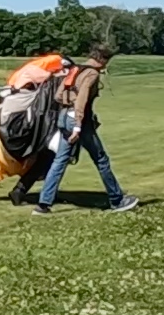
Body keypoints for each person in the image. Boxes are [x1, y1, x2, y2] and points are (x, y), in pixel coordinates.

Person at [33, 45, 137, 216]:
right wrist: (77, 126)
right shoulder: (92, 74)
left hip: (64, 117)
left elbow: (58, 95)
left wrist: (69, 105)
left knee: (59, 161)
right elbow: (82, 100)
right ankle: (117, 200)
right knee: (101, 160)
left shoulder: (75, 70)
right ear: (102, 59)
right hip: (79, 121)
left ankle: (43, 205)